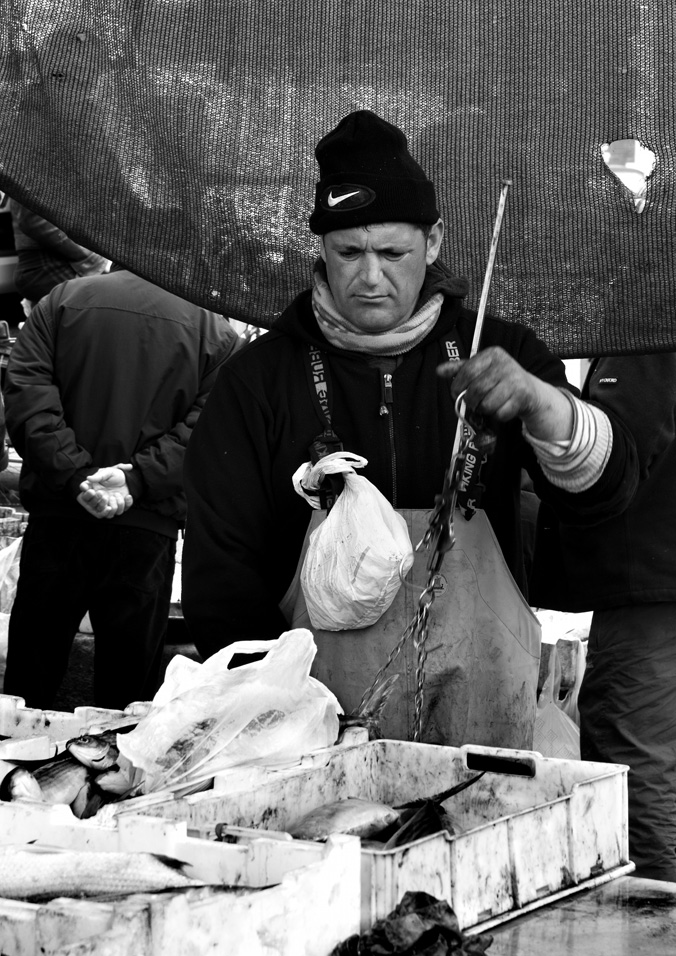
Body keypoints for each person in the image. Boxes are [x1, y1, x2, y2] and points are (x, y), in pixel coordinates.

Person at [181, 110, 638, 748]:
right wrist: (277, 713)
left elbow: (606, 491)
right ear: (320, 249)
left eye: (393, 252)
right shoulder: (257, 381)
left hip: (486, 720)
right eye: (349, 252)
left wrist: (544, 405)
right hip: (313, 729)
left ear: (434, 241)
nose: (371, 277)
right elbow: (219, 572)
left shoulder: (500, 352)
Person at [2, 267, 241, 710]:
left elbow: (26, 393)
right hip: (146, 529)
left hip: (60, 517)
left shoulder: (63, 299)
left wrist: (76, 477)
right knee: (127, 700)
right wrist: (137, 480)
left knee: (26, 688)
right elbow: (208, 433)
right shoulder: (217, 331)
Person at [531, 353, 676, 882]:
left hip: (649, 593)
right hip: (653, 586)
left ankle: (652, 934)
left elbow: (612, 461)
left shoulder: (647, 331)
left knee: (635, 768)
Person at [7, 197, 109, 309]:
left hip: (53, 264)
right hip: (49, 264)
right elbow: (34, 220)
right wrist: (90, 256)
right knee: (103, 303)